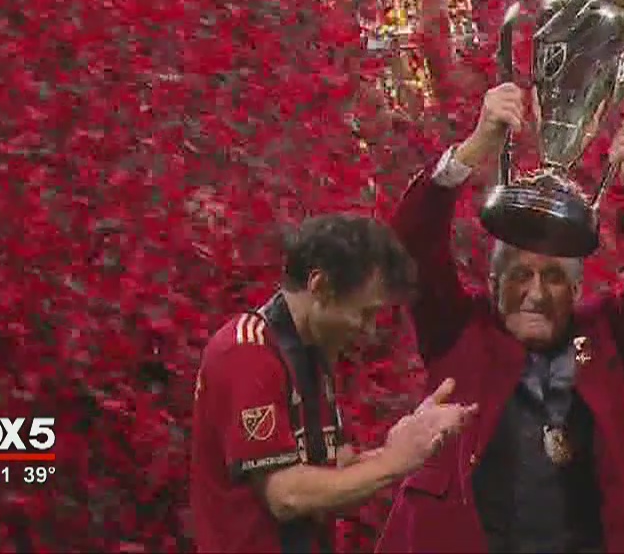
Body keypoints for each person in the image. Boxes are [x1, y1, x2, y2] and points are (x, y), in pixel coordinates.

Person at [376, 82, 624, 553]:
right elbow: (409, 245)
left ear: (575, 290)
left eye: (553, 278)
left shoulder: (606, 338)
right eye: (519, 275)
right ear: (492, 284)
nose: (534, 293)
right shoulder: (459, 329)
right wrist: (471, 151)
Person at [189, 214, 477, 553]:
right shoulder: (246, 353)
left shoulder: (312, 355)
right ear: (320, 287)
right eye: (365, 312)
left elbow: (333, 480)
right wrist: (395, 462)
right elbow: (287, 495)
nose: (369, 329)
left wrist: (405, 443)